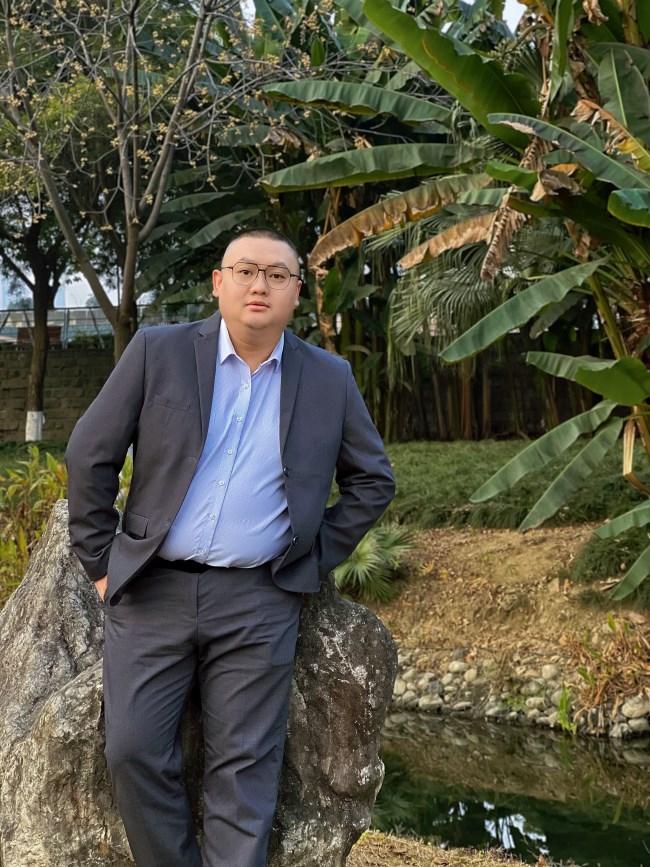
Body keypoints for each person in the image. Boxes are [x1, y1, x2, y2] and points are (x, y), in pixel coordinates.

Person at [66, 228, 395, 867]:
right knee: (132, 750)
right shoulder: (158, 351)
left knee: (244, 769)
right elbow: (88, 454)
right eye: (245, 270)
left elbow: (373, 479)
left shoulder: (328, 378)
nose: (259, 285)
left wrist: (311, 558)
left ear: (297, 292)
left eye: (277, 275)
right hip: (151, 589)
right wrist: (102, 563)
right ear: (219, 283)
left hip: (258, 598)